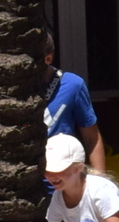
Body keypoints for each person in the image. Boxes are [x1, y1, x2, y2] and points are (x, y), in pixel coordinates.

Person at [44, 35, 108, 171]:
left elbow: (92, 138)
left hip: (64, 181)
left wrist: (100, 182)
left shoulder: (72, 85)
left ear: (48, 59)